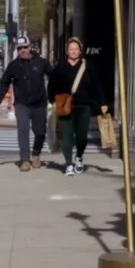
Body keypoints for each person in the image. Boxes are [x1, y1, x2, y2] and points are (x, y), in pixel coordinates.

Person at [47, 37, 108, 177]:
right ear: (67, 51)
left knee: (81, 136)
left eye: (76, 49)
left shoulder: (88, 65)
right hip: (64, 106)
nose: (73, 51)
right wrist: (52, 100)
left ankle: (79, 157)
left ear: (80, 51)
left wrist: (102, 103)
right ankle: (68, 164)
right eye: (71, 49)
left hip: (84, 105)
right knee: (67, 136)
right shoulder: (60, 66)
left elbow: (97, 85)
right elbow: (52, 85)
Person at [0, 36, 53, 171]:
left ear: (30, 47)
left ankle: (36, 154)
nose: (23, 51)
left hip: (39, 104)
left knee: (40, 132)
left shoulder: (41, 62)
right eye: (20, 48)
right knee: (23, 130)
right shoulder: (13, 65)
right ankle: (25, 160)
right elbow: (4, 82)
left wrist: (54, 95)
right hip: (22, 105)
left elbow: (53, 77)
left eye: (25, 47)